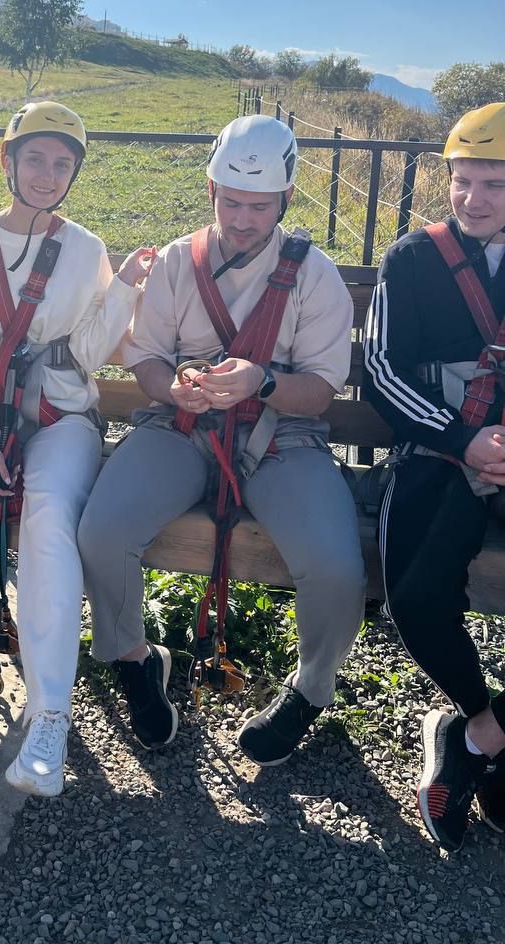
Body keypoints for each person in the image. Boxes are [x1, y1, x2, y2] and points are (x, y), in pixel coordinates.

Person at [78, 114, 366, 765]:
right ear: (211, 190)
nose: (241, 219)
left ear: (284, 199)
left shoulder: (314, 275)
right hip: (181, 429)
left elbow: (319, 391)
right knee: (102, 532)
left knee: (338, 569)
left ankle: (310, 690)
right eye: (230, 202)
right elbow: (148, 359)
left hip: (281, 438)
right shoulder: (178, 263)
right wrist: (172, 389)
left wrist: (262, 382)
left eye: (259, 206)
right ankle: (134, 658)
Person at [0, 101, 154, 797]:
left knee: (48, 521)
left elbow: (87, 356)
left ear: (74, 174)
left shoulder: (87, 250)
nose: (47, 174)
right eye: (35, 158)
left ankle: (49, 717)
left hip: (61, 420)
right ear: (8, 162)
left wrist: (124, 289)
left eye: (62, 164)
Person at [364, 102, 505, 851]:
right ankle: (479, 726)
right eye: (463, 180)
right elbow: (381, 371)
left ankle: (478, 742)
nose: (474, 199)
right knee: (415, 598)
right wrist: (463, 438)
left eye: (496, 184)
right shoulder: (413, 259)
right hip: (439, 450)